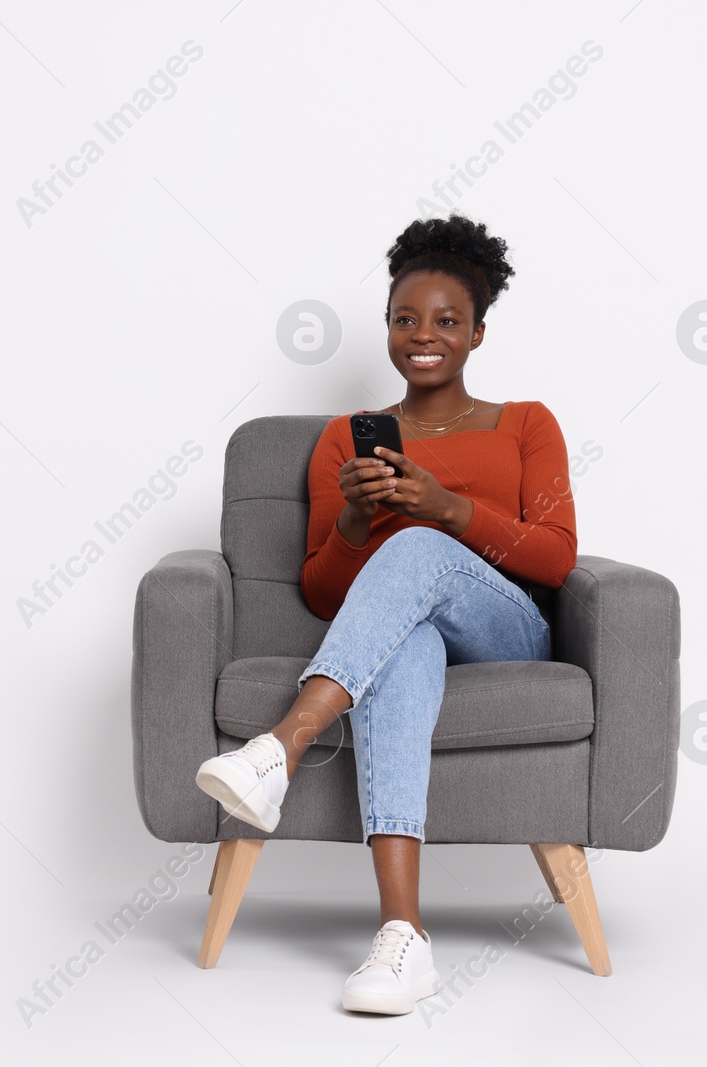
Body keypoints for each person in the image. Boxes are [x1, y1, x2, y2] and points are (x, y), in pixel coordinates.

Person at [194, 214, 578, 1014]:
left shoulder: (526, 424)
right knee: (405, 637)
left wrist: (445, 508)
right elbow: (325, 595)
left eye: (446, 321)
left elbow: (555, 557)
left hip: (508, 628)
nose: (423, 336)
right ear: (387, 329)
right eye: (406, 319)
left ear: (477, 332)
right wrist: (356, 522)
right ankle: (404, 938)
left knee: (415, 547)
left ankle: (280, 749)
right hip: (414, 631)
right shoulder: (346, 440)